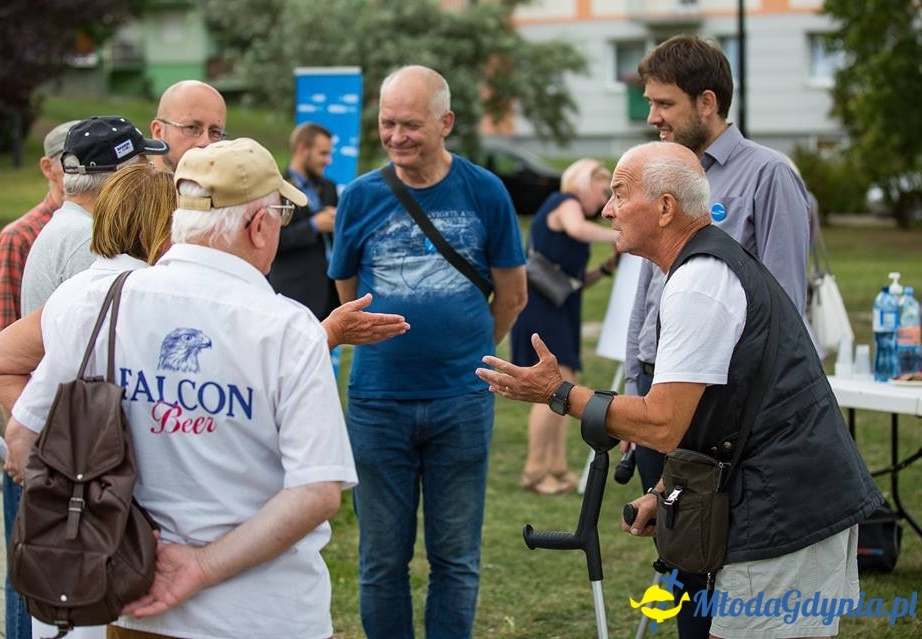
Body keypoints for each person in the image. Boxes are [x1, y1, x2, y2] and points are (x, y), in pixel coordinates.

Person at [477, 141, 882, 639]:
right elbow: (713, 410)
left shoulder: (699, 282)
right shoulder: (699, 269)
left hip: (787, 512)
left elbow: (661, 423)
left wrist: (559, 393)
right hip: (788, 498)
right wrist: (668, 489)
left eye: (620, 194)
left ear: (666, 208)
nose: (606, 209)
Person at [0, 138, 358, 638]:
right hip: (260, 616)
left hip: (130, 602)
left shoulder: (100, 302)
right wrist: (200, 566)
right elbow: (317, 492)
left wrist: (103, 530)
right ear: (259, 226)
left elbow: (23, 434)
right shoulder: (286, 329)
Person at [328, 65, 527, 639]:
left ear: (446, 122)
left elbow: (512, 296)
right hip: (377, 403)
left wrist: (467, 351)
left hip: (461, 402)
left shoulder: (484, 190)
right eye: (387, 124)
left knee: (455, 558)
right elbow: (348, 298)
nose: (395, 137)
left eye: (410, 124)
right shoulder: (360, 197)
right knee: (380, 561)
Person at [623, 35, 812, 637]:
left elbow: (784, 310)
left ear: (707, 102)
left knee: (718, 562)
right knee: (678, 564)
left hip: (720, 408)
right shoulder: (659, 172)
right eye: (650, 103)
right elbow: (649, 291)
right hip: (660, 391)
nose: (652, 118)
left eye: (664, 104)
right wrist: (634, 386)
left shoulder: (769, 176)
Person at [0, 118, 77, 639]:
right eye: (71, 159)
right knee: (28, 575)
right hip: (29, 446)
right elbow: (1, 347)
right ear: (48, 167)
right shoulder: (21, 237)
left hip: (68, 444)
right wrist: (20, 455)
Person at [509, 158, 619, 495]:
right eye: (604, 191)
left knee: (564, 387)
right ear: (585, 182)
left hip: (559, 306)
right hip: (544, 310)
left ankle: (555, 466)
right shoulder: (565, 202)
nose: (605, 202)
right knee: (551, 390)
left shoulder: (566, 209)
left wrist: (605, 269)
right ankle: (535, 470)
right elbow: (578, 230)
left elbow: (571, 281)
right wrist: (621, 232)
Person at [20, 116, 168, 314]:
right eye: (145, 167)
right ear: (122, 177)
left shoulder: (69, 226)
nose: (151, 174)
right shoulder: (88, 240)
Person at [269, 122, 341, 320]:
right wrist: (314, 225)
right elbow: (274, 239)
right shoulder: (276, 188)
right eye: (323, 153)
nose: (328, 160)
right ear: (302, 149)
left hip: (328, 296)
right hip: (292, 293)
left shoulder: (329, 187)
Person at [149, 80, 227, 172]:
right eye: (192, 128)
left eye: (215, 132)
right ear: (158, 132)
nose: (205, 143)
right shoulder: (131, 185)